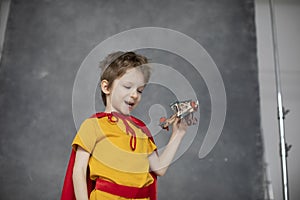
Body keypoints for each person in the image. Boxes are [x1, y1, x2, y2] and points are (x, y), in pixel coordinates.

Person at [70, 51, 188, 200]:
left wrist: (178, 133)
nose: (134, 95)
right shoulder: (93, 125)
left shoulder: (141, 130)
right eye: (127, 87)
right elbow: (79, 170)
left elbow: (159, 168)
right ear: (106, 87)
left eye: (139, 90)